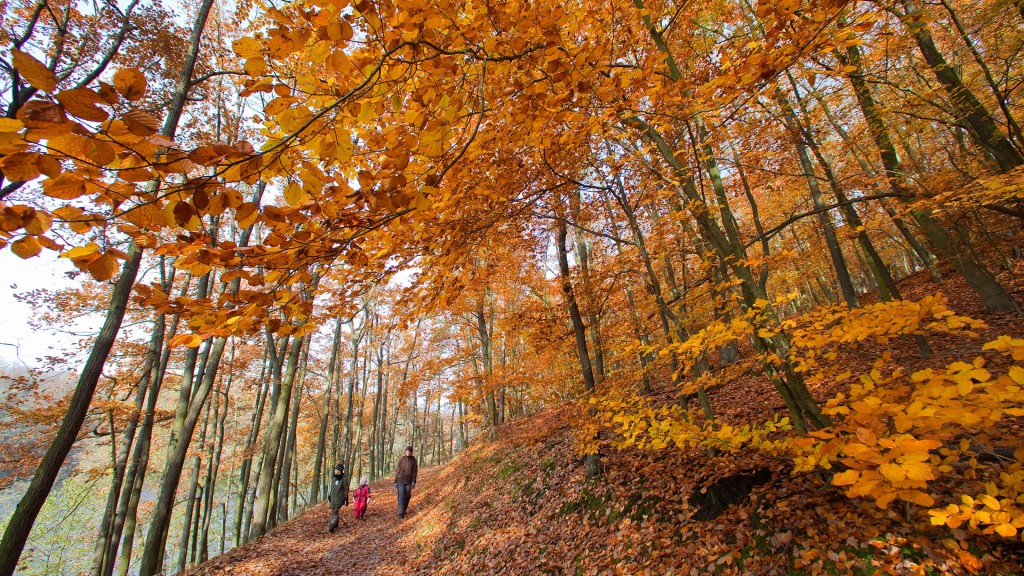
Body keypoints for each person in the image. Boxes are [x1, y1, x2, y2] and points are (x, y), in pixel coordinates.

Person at [394, 446, 418, 519]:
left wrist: (413, 481)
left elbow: (414, 472)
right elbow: (398, 470)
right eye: (406, 451)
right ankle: (400, 513)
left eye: (409, 451)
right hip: (400, 480)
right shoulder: (401, 460)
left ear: (411, 452)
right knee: (401, 495)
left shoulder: (414, 461)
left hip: (409, 482)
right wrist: (395, 481)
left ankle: (403, 509)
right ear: (405, 452)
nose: (407, 452)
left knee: (408, 495)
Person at [327, 463, 348, 532]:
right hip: (333, 498)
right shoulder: (333, 478)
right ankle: (336, 524)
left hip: (339, 498)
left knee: (335, 512)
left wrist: (346, 498)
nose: (334, 471)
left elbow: (346, 489)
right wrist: (329, 495)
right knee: (333, 511)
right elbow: (330, 488)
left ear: (339, 471)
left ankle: (332, 526)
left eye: (335, 470)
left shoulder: (344, 479)